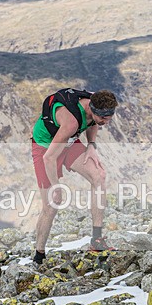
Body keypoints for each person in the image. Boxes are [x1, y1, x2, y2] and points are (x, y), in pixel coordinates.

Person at [31, 88, 117, 265]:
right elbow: (49, 158)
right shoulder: (71, 122)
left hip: (69, 141)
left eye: (109, 117)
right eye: (105, 118)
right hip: (45, 146)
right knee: (51, 204)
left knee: (98, 176)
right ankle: (39, 256)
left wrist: (91, 145)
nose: (107, 122)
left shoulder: (93, 101)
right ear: (93, 111)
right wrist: (56, 187)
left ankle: (96, 240)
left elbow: (93, 123)